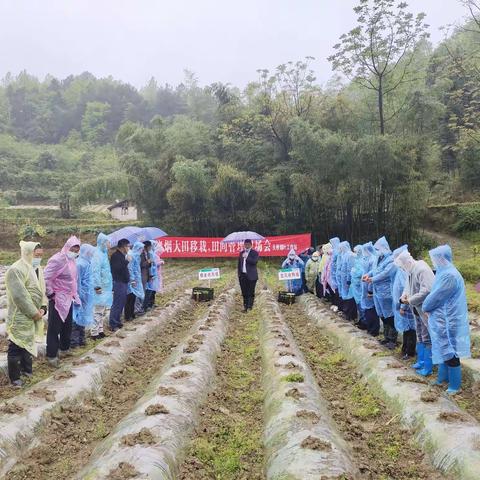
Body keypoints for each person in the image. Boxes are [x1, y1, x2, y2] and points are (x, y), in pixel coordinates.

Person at [422, 245, 471, 394]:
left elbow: (436, 297)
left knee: (450, 351)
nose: (434, 261)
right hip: (443, 319)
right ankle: (442, 379)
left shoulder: (449, 275)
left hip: (448, 320)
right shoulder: (445, 272)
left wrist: (425, 307)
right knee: (444, 350)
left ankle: (454, 386)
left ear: (442, 258)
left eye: (435, 258)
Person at [5, 242, 46, 387]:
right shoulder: (16, 269)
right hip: (19, 316)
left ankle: (27, 372)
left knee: (28, 344)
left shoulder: (36, 269)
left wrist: (43, 307)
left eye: (41, 255)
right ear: (28, 253)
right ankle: (15, 379)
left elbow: (41, 290)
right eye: (37, 255)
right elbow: (20, 296)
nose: (39, 258)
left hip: (33, 315)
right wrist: (33, 312)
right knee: (16, 345)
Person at [395, 248, 435, 374]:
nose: (403, 269)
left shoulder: (422, 269)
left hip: (425, 308)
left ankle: (428, 367)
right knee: (420, 335)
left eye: (403, 267)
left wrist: (410, 300)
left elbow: (427, 290)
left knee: (426, 336)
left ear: (407, 262)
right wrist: (403, 296)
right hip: (416, 308)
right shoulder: (411, 270)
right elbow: (407, 287)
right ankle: (421, 361)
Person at [44, 236, 81, 367]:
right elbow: (46, 277)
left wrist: (75, 295)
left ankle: (64, 349)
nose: (75, 251)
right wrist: (51, 293)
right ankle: (52, 355)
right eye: (73, 248)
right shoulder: (57, 259)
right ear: (67, 247)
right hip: (57, 298)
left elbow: (73, 280)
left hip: (68, 297)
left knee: (67, 325)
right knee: (55, 328)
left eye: (77, 249)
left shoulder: (72, 261)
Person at [363, 236, 397, 348]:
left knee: (390, 316)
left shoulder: (391, 260)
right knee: (382, 315)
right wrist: (369, 274)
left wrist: (372, 279)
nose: (376, 251)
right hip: (377, 291)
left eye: (378, 249)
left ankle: (392, 339)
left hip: (386, 292)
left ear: (384, 248)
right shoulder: (379, 258)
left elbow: (385, 273)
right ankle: (386, 337)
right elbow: (376, 269)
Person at [391, 245, 417, 360]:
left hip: (406, 305)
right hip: (402, 304)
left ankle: (410, 352)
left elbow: (406, 290)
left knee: (411, 330)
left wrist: (402, 306)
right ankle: (405, 348)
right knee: (407, 330)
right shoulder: (401, 270)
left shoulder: (407, 271)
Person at [71, 244, 96, 348]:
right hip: (80, 295)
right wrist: (79, 296)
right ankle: (74, 342)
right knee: (76, 318)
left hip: (86, 295)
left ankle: (81, 339)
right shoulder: (79, 264)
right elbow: (77, 282)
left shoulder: (87, 262)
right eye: (90, 252)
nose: (91, 254)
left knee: (83, 318)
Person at [91, 233, 113, 341]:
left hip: (106, 286)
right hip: (100, 287)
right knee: (98, 310)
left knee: (102, 309)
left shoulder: (104, 253)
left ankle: (100, 330)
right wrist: (97, 286)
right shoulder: (97, 254)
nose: (110, 244)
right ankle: (94, 332)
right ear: (103, 243)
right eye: (108, 242)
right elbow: (95, 272)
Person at [109, 238, 130, 331]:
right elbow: (117, 268)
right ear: (123, 246)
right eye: (128, 246)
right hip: (118, 282)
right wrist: (126, 261)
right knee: (117, 303)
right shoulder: (115, 256)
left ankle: (117, 321)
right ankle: (113, 323)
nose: (128, 248)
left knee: (121, 302)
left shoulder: (122, 255)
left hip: (123, 282)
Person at [360, 242, 380, 336]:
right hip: (365, 286)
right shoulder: (367, 258)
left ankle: (374, 329)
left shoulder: (373, 259)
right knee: (368, 310)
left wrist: (370, 290)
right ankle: (369, 328)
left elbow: (373, 275)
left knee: (372, 310)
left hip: (370, 287)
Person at [125, 241, 145, 321]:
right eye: (141, 249)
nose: (142, 250)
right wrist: (132, 279)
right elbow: (130, 268)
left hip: (136, 279)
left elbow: (136, 268)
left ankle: (132, 313)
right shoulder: (132, 256)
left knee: (134, 297)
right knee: (130, 297)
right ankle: (128, 315)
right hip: (132, 280)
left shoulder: (137, 256)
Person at [237, 239, 259, 312]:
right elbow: (239, 264)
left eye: (248, 244)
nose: (246, 245)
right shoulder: (241, 253)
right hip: (242, 275)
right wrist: (239, 274)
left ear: (251, 245)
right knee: (244, 292)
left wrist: (247, 257)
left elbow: (254, 262)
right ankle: (245, 306)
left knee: (251, 292)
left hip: (252, 276)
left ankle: (250, 307)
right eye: (245, 244)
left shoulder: (254, 253)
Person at [350, 245, 365, 326]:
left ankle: (364, 322)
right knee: (358, 304)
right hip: (355, 285)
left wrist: (354, 272)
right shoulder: (356, 260)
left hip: (360, 285)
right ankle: (361, 319)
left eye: (355, 252)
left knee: (361, 304)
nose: (354, 253)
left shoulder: (362, 260)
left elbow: (361, 272)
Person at [142, 241, 157, 311]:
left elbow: (149, 265)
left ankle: (145, 306)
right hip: (143, 275)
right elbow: (141, 265)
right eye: (150, 246)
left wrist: (151, 262)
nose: (151, 247)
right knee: (144, 292)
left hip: (148, 274)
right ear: (146, 246)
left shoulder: (148, 253)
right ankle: (143, 307)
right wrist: (148, 262)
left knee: (149, 291)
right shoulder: (141, 254)